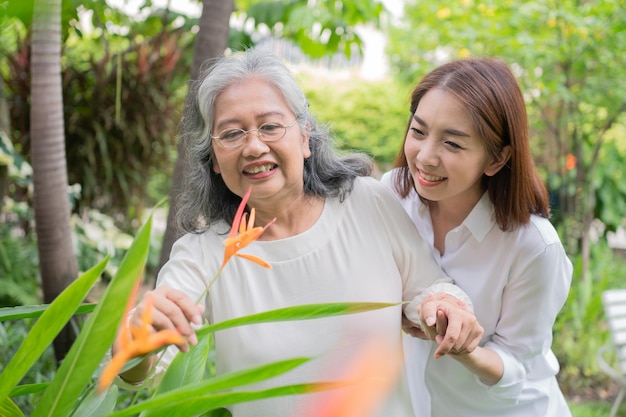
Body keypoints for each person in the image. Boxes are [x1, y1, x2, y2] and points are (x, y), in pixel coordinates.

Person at [114, 47, 483, 417]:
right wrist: (138, 334)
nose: (254, 146)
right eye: (231, 133)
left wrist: (445, 307)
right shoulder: (202, 254)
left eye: (270, 126)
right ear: (212, 159)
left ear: (305, 136)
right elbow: (135, 372)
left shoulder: (368, 203)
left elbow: (430, 289)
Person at [381, 57, 572, 416]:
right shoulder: (391, 197)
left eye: (452, 144)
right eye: (418, 131)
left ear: (497, 159)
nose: (425, 157)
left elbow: (517, 363)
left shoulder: (533, 246)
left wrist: (465, 348)